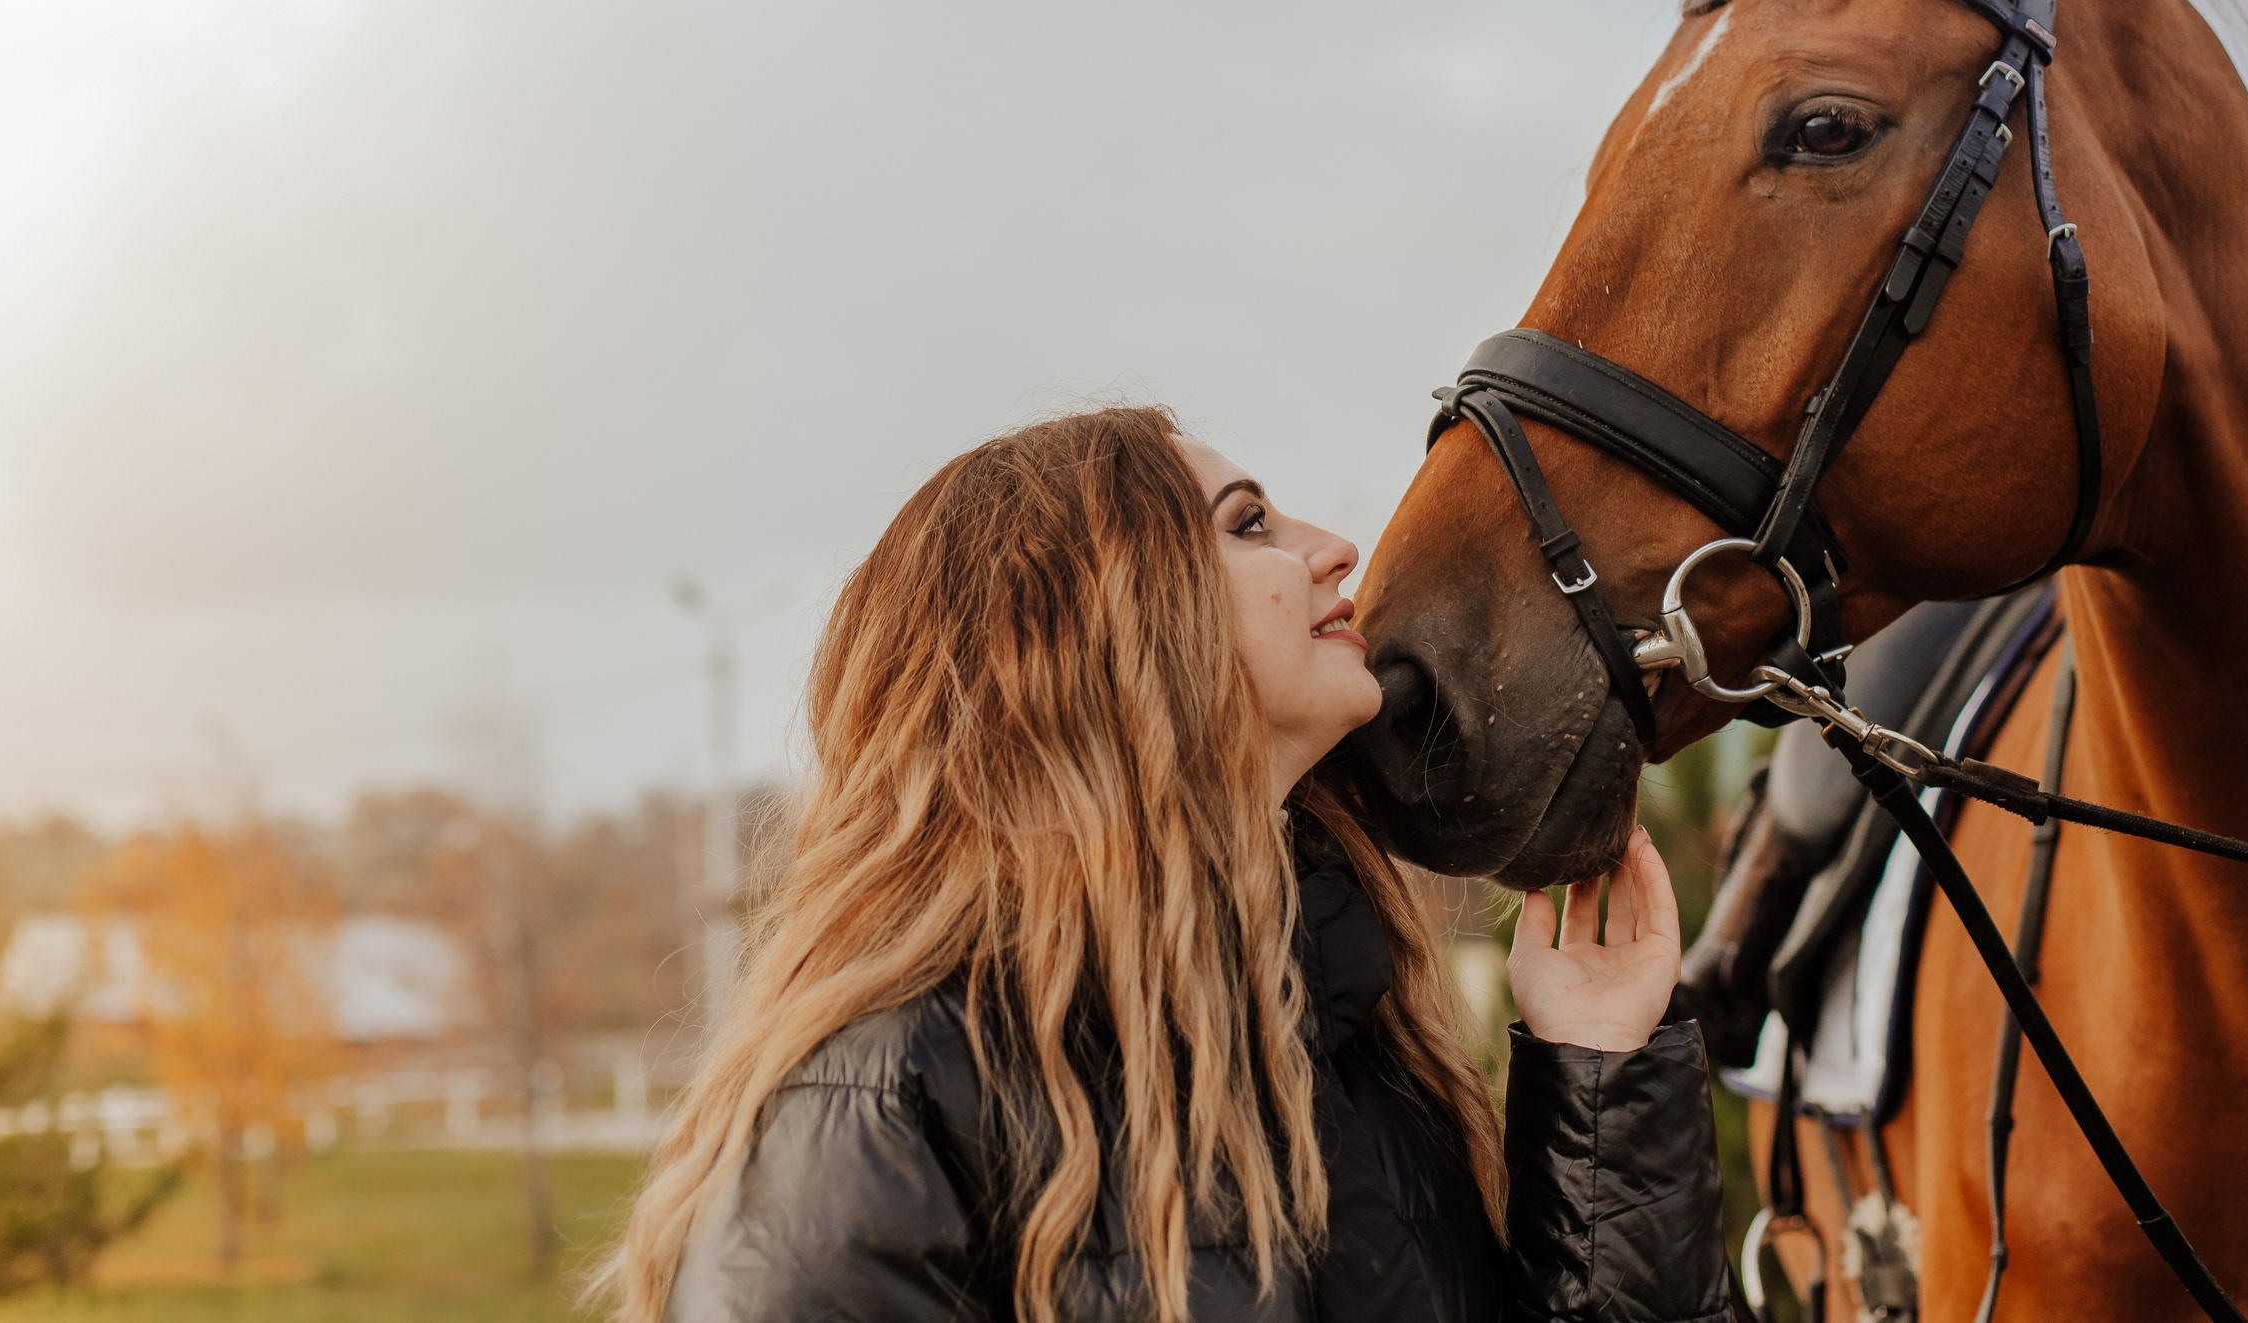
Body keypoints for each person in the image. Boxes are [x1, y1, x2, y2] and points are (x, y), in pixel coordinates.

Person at [603, 407, 1734, 1323]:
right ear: (1092, 630)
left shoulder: (1360, 1046)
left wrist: (1599, 1079)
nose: (1337, 548)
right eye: (1250, 524)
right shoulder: (881, 1104)